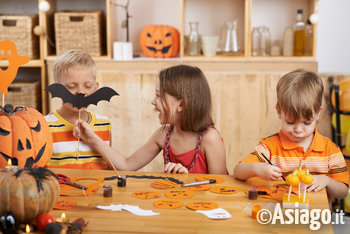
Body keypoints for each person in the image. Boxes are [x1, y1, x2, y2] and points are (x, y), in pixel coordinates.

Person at [73, 64, 227, 174]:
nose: (153, 101)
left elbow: (221, 189)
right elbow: (127, 165)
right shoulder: (163, 135)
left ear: (181, 104)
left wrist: (188, 180)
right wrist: (93, 139)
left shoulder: (210, 138)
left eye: (159, 95)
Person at [234, 69, 349, 199]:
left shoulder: (330, 149)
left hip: (316, 216)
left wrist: (327, 181)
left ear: (318, 113)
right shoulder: (269, 146)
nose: (298, 130)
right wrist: (257, 168)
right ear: (279, 112)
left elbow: (343, 192)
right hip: (279, 213)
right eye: (290, 122)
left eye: (306, 123)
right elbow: (238, 171)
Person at [45, 50, 112, 169]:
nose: (81, 92)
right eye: (71, 86)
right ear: (58, 89)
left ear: (96, 88)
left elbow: (111, 166)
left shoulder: (104, 124)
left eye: (88, 86)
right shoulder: (45, 126)